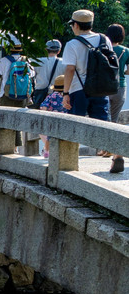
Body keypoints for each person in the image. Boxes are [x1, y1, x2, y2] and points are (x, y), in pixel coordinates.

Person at [62, 9, 123, 174]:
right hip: (101, 89)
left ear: (75, 25)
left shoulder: (72, 44)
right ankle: (117, 155)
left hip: (78, 90)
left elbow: (69, 70)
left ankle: (69, 164)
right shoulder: (105, 39)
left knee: (74, 126)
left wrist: (65, 93)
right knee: (105, 125)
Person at [39, 75, 69, 158]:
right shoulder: (68, 97)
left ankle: (47, 151)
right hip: (67, 120)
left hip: (53, 120)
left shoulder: (52, 96)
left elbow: (44, 107)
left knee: (49, 136)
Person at [106, 24, 129, 123]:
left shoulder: (103, 49)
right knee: (114, 119)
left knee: (103, 117)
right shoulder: (126, 51)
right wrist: (122, 72)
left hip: (104, 86)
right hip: (120, 86)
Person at [32, 39, 64, 108]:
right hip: (58, 94)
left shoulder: (37, 61)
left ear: (46, 49)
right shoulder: (64, 63)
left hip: (40, 94)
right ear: (59, 51)